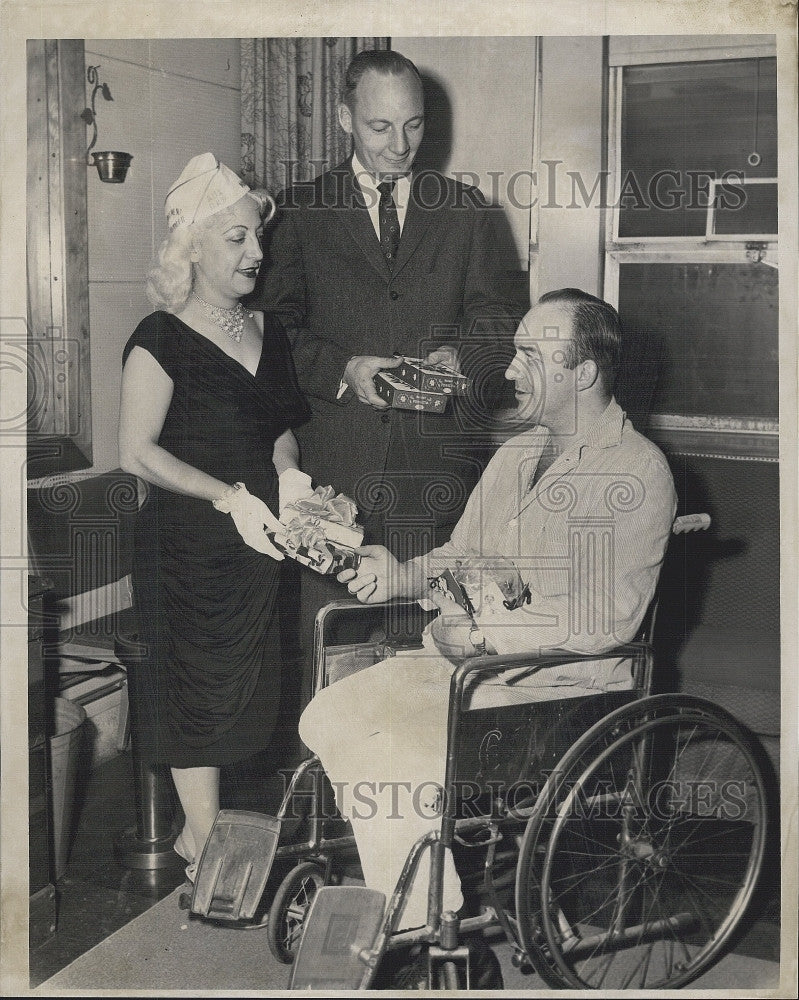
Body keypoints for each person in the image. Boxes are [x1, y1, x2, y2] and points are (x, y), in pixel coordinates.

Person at [298, 289, 678, 930]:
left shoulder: (631, 472)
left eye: (530, 355)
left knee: (394, 749)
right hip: (472, 667)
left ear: (582, 372)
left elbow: (588, 623)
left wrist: (477, 628)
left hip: (561, 690)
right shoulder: (518, 453)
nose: (507, 370)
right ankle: (436, 900)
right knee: (331, 713)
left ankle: (420, 928)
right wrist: (400, 576)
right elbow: (462, 553)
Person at [251, 48, 522, 714]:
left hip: (434, 468)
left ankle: (418, 803)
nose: (399, 146)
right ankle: (330, 800)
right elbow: (273, 331)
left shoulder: (468, 212)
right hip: (332, 471)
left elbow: (497, 316)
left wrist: (463, 353)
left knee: (426, 647)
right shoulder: (298, 213)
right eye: (379, 127)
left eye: (413, 125)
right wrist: (343, 369)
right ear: (344, 118)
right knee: (328, 642)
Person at [118, 153, 312, 878]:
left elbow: (278, 427)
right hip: (189, 546)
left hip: (259, 541)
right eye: (235, 238)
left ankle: (201, 839)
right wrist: (225, 496)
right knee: (195, 696)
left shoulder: (267, 331)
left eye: (256, 236)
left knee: (246, 697)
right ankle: (205, 843)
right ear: (190, 245)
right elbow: (136, 452)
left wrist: (289, 478)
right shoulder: (159, 339)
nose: (255, 252)